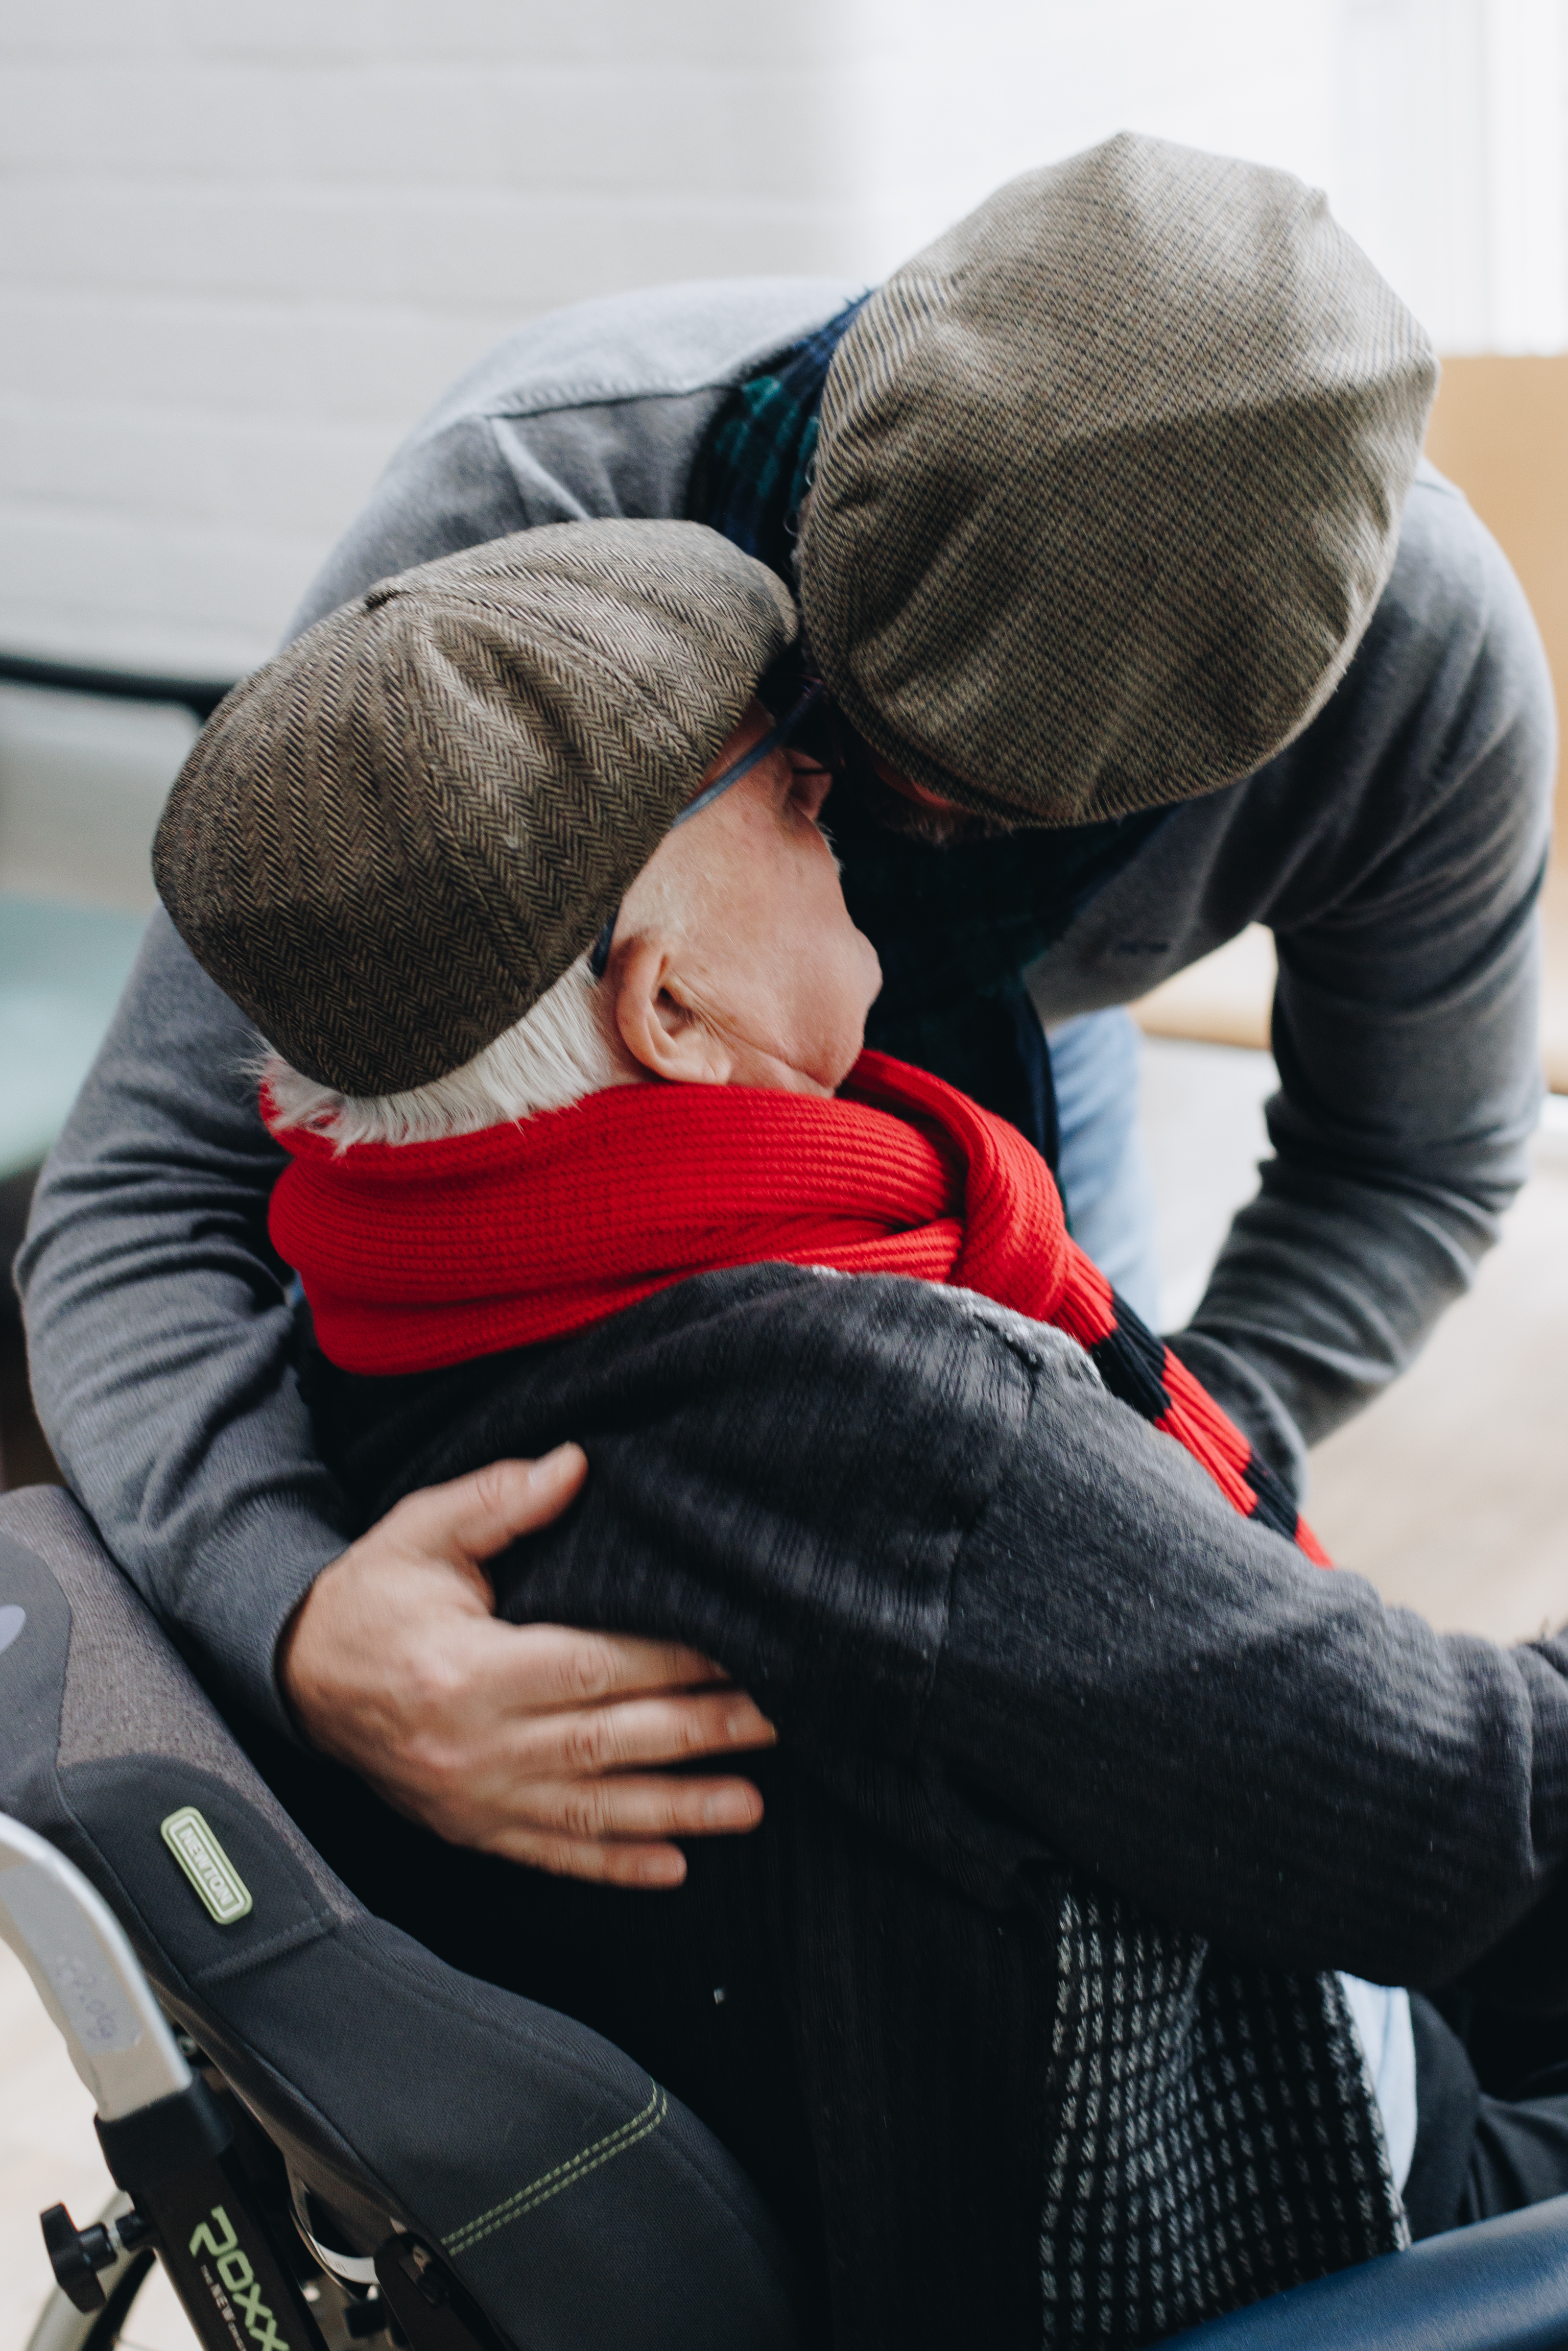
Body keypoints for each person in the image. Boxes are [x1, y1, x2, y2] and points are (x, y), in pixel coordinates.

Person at [17, 131, 1554, 1896]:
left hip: (1024, 1104)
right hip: (570, 1188)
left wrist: (1162, 1461)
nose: (896, 831)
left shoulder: (1428, 677)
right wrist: (300, 1617)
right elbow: (146, 1183)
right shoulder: (534, 502)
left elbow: (1406, 1165)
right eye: (834, 759)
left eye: (992, 813)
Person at [148, 517, 1568, 2348]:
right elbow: (1474, 1824)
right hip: (1294, 2218)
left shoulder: (367, 1324)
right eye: (796, 794)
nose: (857, 817)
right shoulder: (895, 1432)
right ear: (669, 1004)